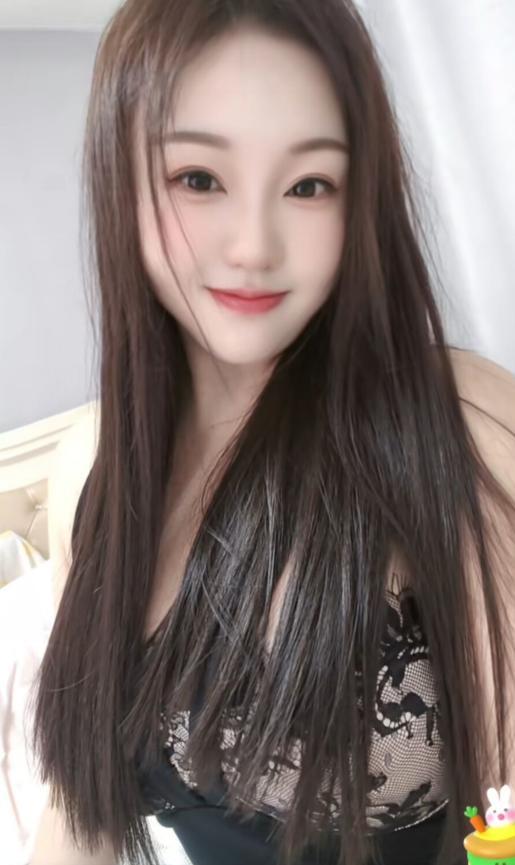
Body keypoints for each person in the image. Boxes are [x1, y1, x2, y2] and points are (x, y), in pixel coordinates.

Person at [27, 1, 515, 864]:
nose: (253, 246)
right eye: (198, 178)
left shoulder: (457, 428)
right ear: (119, 183)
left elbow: (505, 821)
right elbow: (80, 816)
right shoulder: (89, 470)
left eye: (308, 184)